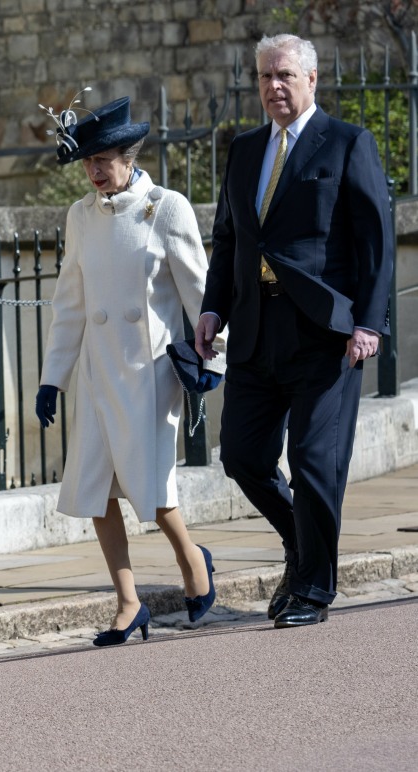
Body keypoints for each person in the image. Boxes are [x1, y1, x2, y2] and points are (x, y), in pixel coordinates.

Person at [195, 34, 393, 628]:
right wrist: (212, 310)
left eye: (284, 75)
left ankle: (313, 587)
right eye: (264, 76)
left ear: (311, 79)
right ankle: (301, 543)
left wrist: (368, 322)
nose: (273, 86)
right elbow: (228, 238)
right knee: (242, 455)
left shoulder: (348, 142)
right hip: (256, 329)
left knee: (312, 459)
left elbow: (376, 240)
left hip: (324, 332)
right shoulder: (245, 149)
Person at [34, 95, 223, 646]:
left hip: (150, 371)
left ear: (128, 156)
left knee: (151, 486)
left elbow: (202, 294)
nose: (94, 172)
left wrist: (216, 356)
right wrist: (52, 378)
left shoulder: (166, 207)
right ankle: (128, 603)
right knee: (97, 488)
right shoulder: (80, 216)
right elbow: (70, 304)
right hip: (98, 372)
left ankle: (192, 561)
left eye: (103, 160)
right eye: (87, 162)